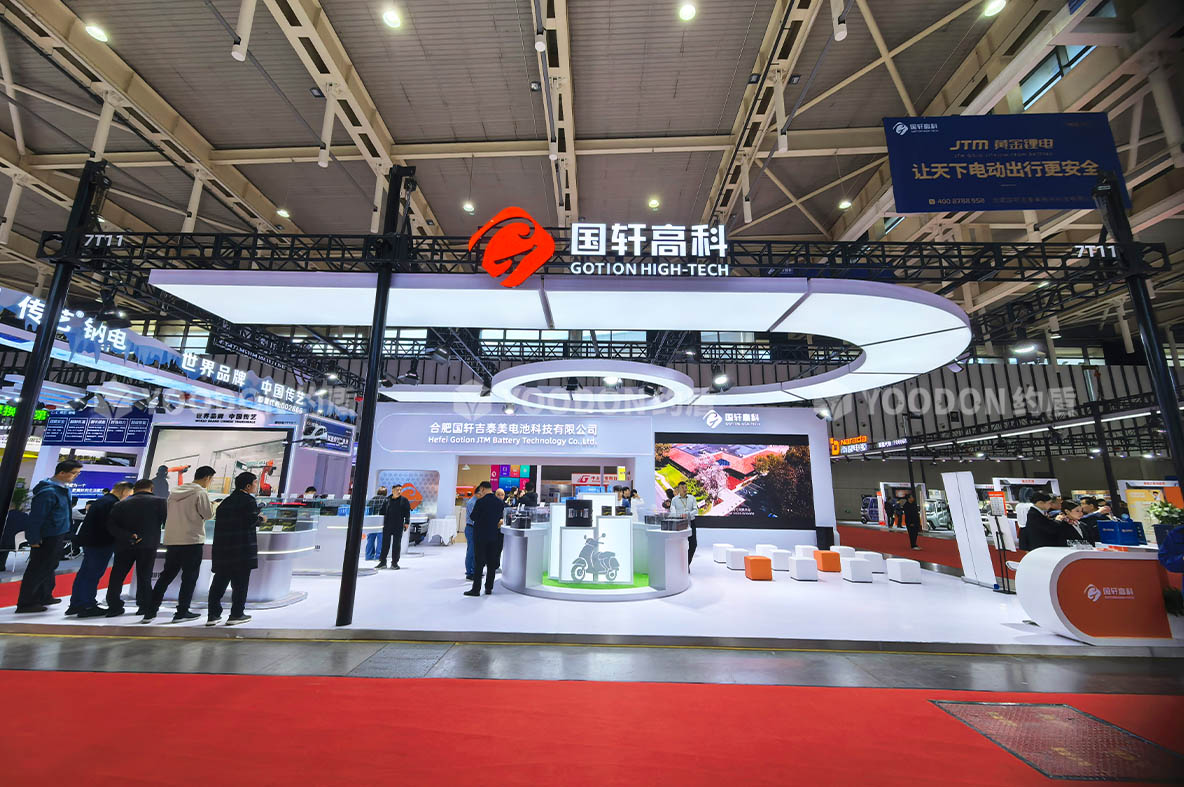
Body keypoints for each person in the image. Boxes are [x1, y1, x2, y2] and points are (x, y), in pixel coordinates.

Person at [142, 465, 215, 623]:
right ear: (207, 478)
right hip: (192, 540)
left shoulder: (174, 493)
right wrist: (214, 506)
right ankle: (182, 612)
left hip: (173, 540)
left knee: (166, 576)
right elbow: (208, 514)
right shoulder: (200, 492)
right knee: (189, 578)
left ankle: (150, 611)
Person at [14, 460, 83, 613]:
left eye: (78, 473)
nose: (75, 476)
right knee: (38, 569)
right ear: (62, 473)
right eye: (74, 473)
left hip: (58, 534)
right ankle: (26, 603)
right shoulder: (48, 492)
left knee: (50, 566)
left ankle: (44, 596)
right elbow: (36, 517)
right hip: (47, 536)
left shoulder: (63, 489)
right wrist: (33, 538)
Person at [66, 481, 133, 617]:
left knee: (85, 573)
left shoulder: (102, 501)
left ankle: (77, 603)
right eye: (129, 493)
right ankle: (87, 605)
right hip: (100, 543)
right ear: (124, 490)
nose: (128, 496)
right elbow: (110, 525)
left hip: (91, 541)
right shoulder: (112, 503)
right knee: (92, 574)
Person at [104, 478, 166, 617]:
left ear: (135, 489)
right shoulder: (160, 502)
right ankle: (144, 606)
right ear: (151, 489)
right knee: (145, 576)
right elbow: (166, 522)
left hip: (124, 544)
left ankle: (113, 606)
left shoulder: (120, 504)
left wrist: (128, 536)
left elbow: (111, 526)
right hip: (148, 545)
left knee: (117, 576)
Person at [207, 472, 261, 626]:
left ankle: (213, 615)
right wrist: (260, 519)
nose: (256, 486)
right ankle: (236, 614)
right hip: (242, 549)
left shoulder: (226, 501)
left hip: (223, 549)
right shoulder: (249, 501)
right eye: (255, 483)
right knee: (240, 584)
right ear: (248, 486)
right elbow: (250, 520)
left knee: (219, 582)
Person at [465, 484, 506, 596]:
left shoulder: (480, 502)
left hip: (480, 535)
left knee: (479, 562)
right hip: (494, 535)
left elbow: (473, 517)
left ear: (482, 489)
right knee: (491, 563)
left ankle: (476, 589)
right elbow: (500, 518)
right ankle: (489, 588)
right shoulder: (499, 503)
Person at [377, 486, 411, 570]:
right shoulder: (387, 500)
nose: (399, 491)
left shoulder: (404, 500)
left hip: (398, 525)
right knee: (385, 544)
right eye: (397, 490)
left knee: (396, 544)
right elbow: (382, 511)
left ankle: (394, 563)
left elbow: (407, 512)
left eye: (400, 490)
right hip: (387, 524)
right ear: (392, 490)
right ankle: (382, 562)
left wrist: (407, 522)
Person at [464, 482, 490, 580]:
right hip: (471, 528)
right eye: (483, 493)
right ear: (479, 492)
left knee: (476, 551)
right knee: (471, 551)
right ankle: (470, 572)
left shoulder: (477, 502)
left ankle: (475, 570)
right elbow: (475, 517)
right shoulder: (472, 503)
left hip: (475, 528)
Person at [669, 481, 698, 565]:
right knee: (679, 544)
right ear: (678, 489)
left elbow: (696, 510)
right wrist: (677, 516)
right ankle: (679, 564)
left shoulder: (692, 498)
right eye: (682, 488)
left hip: (691, 522)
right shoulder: (674, 500)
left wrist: (688, 514)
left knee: (693, 544)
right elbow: (672, 512)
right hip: (680, 523)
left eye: (686, 487)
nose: (685, 489)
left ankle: (686, 564)